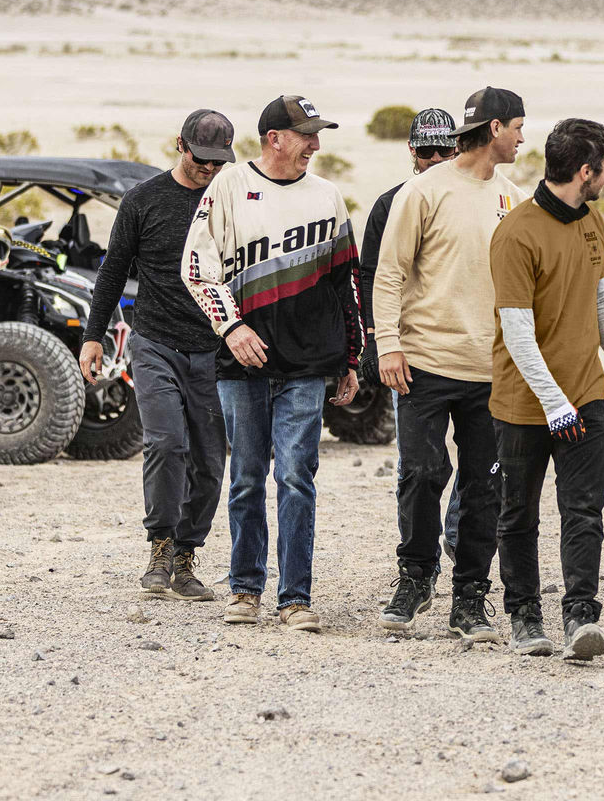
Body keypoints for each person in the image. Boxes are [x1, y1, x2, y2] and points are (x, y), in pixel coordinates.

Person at [182, 95, 362, 633]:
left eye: (317, 135)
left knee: (297, 479)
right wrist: (230, 326)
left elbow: (344, 282)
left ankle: (296, 599)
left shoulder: (328, 197)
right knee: (245, 480)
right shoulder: (229, 186)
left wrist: (350, 356)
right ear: (274, 138)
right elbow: (196, 267)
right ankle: (244, 589)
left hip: (306, 366)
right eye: (306, 134)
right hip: (242, 364)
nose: (315, 144)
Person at [490, 117, 604, 661]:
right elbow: (516, 332)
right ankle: (524, 616)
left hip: (586, 394)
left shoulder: (591, 221)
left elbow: (600, 299)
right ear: (586, 170)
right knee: (518, 515)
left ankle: (581, 616)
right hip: (523, 404)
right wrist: (553, 404)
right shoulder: (517, 232)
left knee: (584, 512)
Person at [373, 88, 528, 640]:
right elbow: (388, 272)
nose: (521, 137)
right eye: (516, 126)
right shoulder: (422, 192)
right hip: (424, 362)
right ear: (492, 129)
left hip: (492, 371)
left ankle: (469, 598)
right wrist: (388, 345)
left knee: (486, 485)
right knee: (421, 472)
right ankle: (414, 576)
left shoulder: (514, 198)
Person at [79, 109, 235, 602]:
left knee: (210, 461)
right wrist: (92, 336)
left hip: (214, 348)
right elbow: (111, 272)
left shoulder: (231, 202)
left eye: (218, 162)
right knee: (167, 443)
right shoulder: (142, 200)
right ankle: (160, 546)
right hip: (155, 343)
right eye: (201, 159)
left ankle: (187, 556)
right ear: (180, 145)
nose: (209, 169)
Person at [357, 107, 467, 563]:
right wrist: (376, 339)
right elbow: (370, 275)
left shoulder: (478, 198)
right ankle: (417, 560)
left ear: (458, 148)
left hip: (473, 346)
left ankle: (459, 539)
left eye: (445, 150)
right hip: (412, 351)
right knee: (419, 465)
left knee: (482, 461)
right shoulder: (391, 204)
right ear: (411, 151)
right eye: (427, 151)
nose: (436, 159)